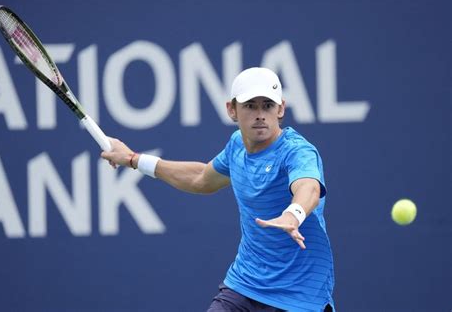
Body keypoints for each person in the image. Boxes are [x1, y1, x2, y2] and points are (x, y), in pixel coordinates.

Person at [101, 67, 335, 312]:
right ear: (231, 110)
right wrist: (132, 158)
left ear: (280, 109)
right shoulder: (237, 146)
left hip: (301, 294)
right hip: (245, 284)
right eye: (250, 106)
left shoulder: (297, 151)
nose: (260, 115)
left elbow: (308, 187)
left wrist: (293, 214)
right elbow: (202, 178)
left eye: (267, 105)